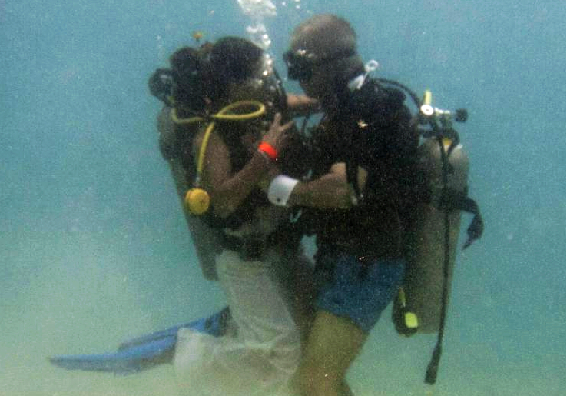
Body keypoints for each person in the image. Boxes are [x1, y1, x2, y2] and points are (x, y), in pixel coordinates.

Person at [266, 15, 420, 396]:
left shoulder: (370, 110)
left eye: (301, 67)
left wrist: (277, 186)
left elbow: (342, 190)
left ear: (333, 63)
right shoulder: (346, 103)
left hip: (369, 261)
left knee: (314, 380)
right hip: (344, 256)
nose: (296, 76)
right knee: (319, 375)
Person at [157, 37, 317, 396]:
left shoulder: (256, 108)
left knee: (312, 333)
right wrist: (266, 152)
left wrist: (331, 101)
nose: (267, 81)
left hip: (281, 247)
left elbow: (290, 103)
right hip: (243, 259)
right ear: (232, 83)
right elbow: (225, 199)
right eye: (258, 75)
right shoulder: (210, 133)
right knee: (282, 353)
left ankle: (238, 332)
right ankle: (189, 352)